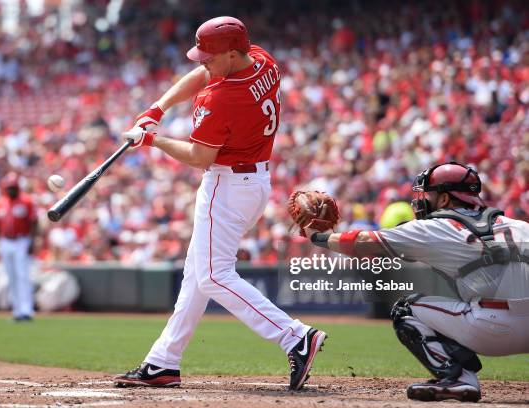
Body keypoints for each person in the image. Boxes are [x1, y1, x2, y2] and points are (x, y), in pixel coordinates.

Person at [114, 16, 326, 390]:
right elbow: (206, 74)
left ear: (232, 52)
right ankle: (162, 362)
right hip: (252, 182)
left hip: (226, 187)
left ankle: (294, 336)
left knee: (212, 275)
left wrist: (153, 140)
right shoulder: (262, 59)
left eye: (209, 56)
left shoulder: (224, 97)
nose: (202, 62)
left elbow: (199, 157)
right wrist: (157, 108)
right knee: (197, 276)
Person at [304, 162, 529, 402]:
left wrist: (318, 237)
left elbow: (364, 242)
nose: (422, 200)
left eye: (428, 194)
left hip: (492, 328)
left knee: (406, 309)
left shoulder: (436, 228)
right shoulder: (520, 226)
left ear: (444, 199)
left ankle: (458, 379)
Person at [0, 172, 38, 322]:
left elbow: (33, 223)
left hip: (21, 240)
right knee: (11, 277)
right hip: (5, 241)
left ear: (18, 188)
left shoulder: (26, 201)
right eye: (9, 188)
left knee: (23, 275)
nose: (11, 190)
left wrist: (32, 242)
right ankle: (17, 311)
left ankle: (27, 310)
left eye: (13, 187)